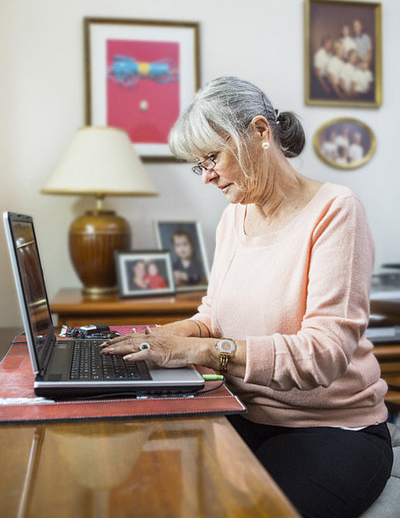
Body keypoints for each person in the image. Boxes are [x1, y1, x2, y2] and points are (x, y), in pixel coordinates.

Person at [102, 76, 393, 518]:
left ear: (260, 132)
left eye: (211, 158)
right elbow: (213, 315)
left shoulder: (336, 211)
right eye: (198, 165)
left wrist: (198, 350)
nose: (207, 177)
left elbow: (324, 354)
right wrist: (155, 339)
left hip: (331, 430)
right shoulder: (232, 218)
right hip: (239, 412)